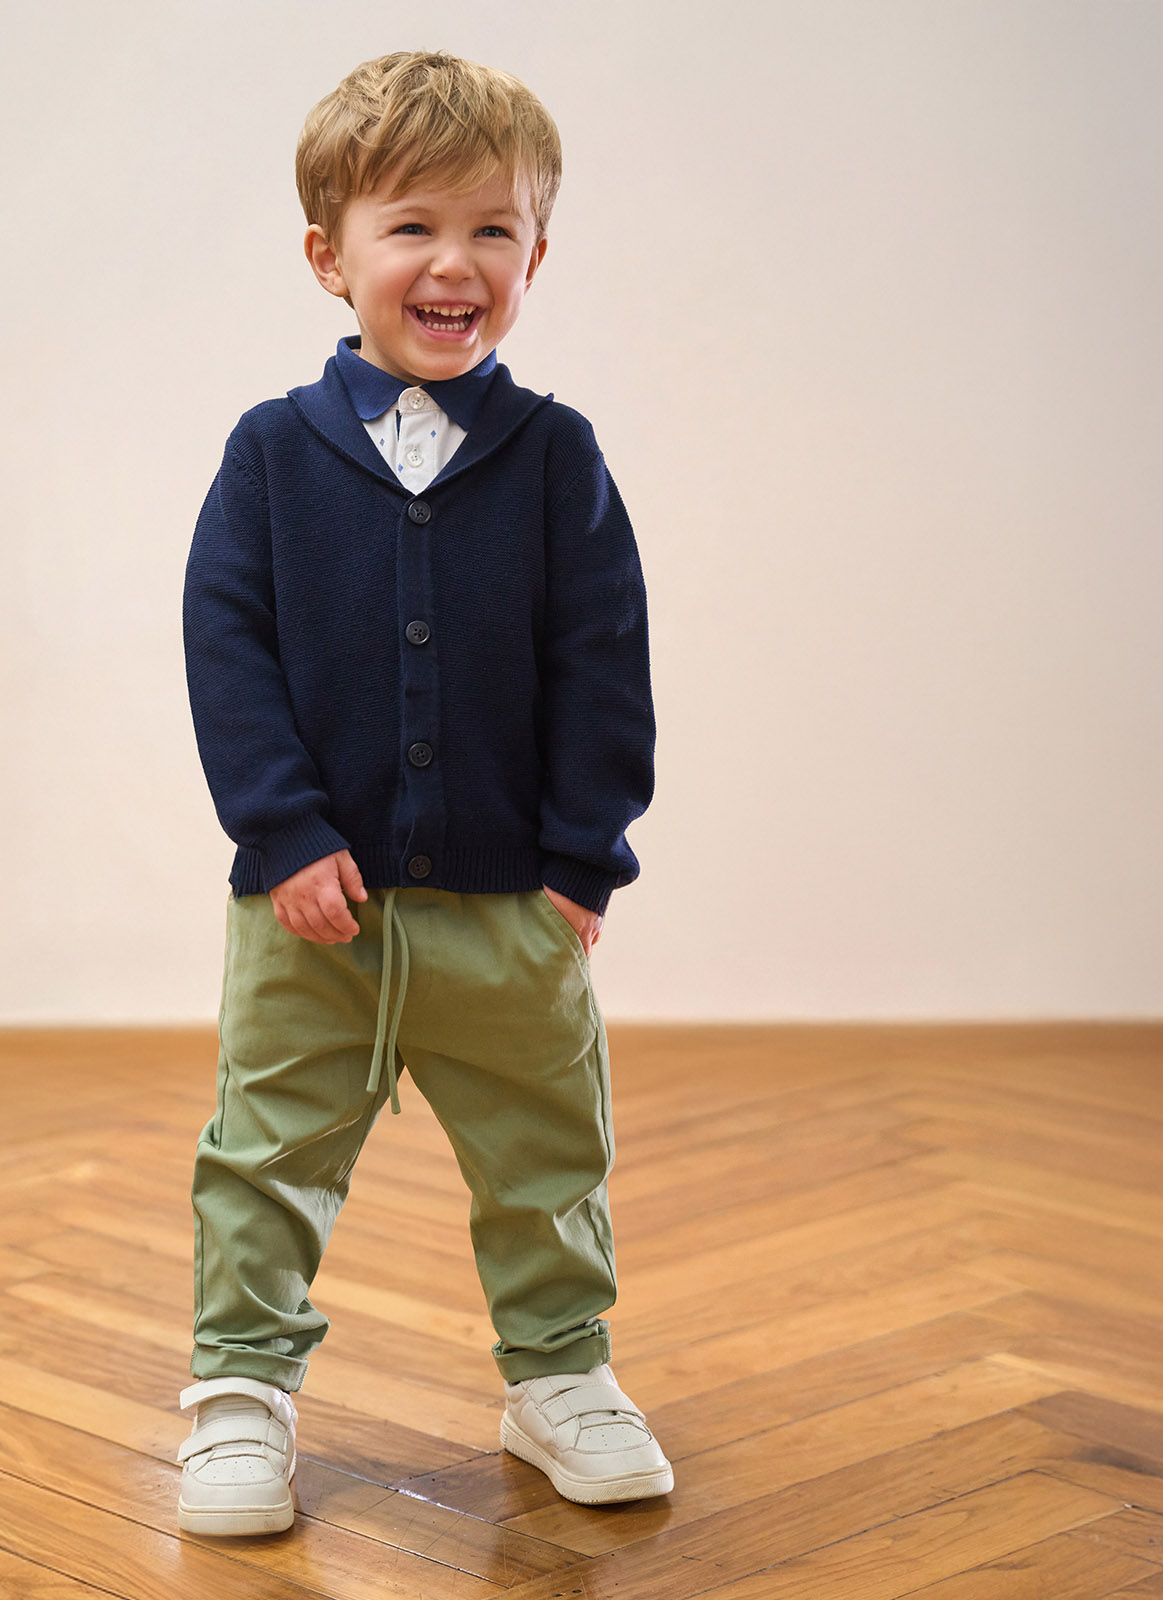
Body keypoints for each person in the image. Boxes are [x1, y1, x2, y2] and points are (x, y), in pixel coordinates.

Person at [176, 48, 668, 1536]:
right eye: (412, 227)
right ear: (330, 257)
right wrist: (282, 830)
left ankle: (560, 1371)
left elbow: (604, 657)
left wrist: (581, 863)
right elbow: (227, 645)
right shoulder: (271, 452)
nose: (455, 263)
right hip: (308, 915)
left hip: (514, 904)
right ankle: (240, 1387)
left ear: (535, 256)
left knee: (546, 1153)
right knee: (264, 1156)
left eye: (492, 229)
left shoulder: (557, 455)